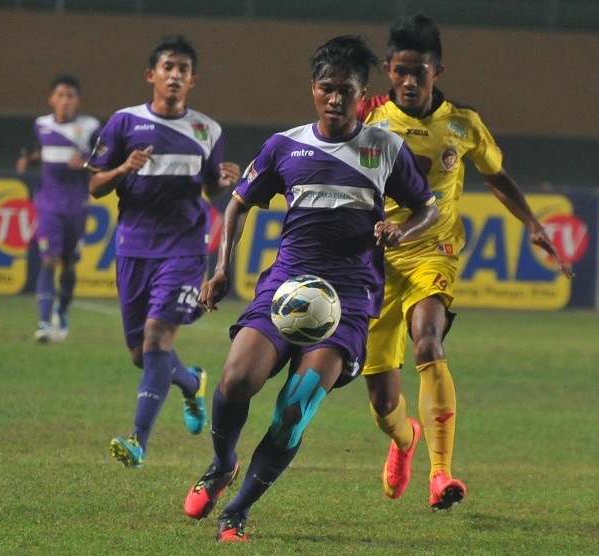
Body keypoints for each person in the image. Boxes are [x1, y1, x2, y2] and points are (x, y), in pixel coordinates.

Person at [183, 35, 439, 543]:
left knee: (294, 408)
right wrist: (221, 269)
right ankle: (221, 463)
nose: (335, 99)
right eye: (327, 89)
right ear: (313, 90)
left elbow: (427, 208)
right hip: (286, 285)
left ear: (362, 92)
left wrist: (401, 231)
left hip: (348, 298)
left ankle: (236, 511)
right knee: (235, 380)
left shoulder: (385, 148)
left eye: (346, 90)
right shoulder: (285, 146)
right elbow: (237, 204)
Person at [356, 14, 574, 510]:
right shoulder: (367, 118)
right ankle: (404, 438)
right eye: (400, 71)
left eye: (421, 72)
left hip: (435, 249)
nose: (410, 82)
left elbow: (497, 176)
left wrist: (532, 223)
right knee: (382, 403)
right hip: (376, 261)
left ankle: (441, 474)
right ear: (388, 69)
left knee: (428, 342)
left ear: (438, 71)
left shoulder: (463, 123)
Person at [86, 36, 241, 468]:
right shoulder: (123, 123)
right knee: (142, 355)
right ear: (151, 75)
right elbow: (95, 185)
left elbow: (209, 187)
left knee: (156, 339)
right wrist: (121, 168)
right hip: (134, 247)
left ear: (192, 81)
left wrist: (222, 181)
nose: (175, 75)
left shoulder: (208, 130)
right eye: (168, 67)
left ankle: (138, 441)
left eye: (183, 69)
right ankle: (191, 383)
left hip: (185, 249)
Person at [16, 75, 101, 343]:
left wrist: (87, 162)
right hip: (48, 203)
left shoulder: (90, 128)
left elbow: (107, 160)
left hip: (77, 204)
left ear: (78, 101)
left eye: (70, 96)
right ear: (51, 99)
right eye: (60, 95)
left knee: (69, 266)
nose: (65, 101)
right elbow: (44, 152)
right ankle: (43, 322)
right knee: (48, 260)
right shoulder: (41, 125)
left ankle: (62, 312)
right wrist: (29, 161)